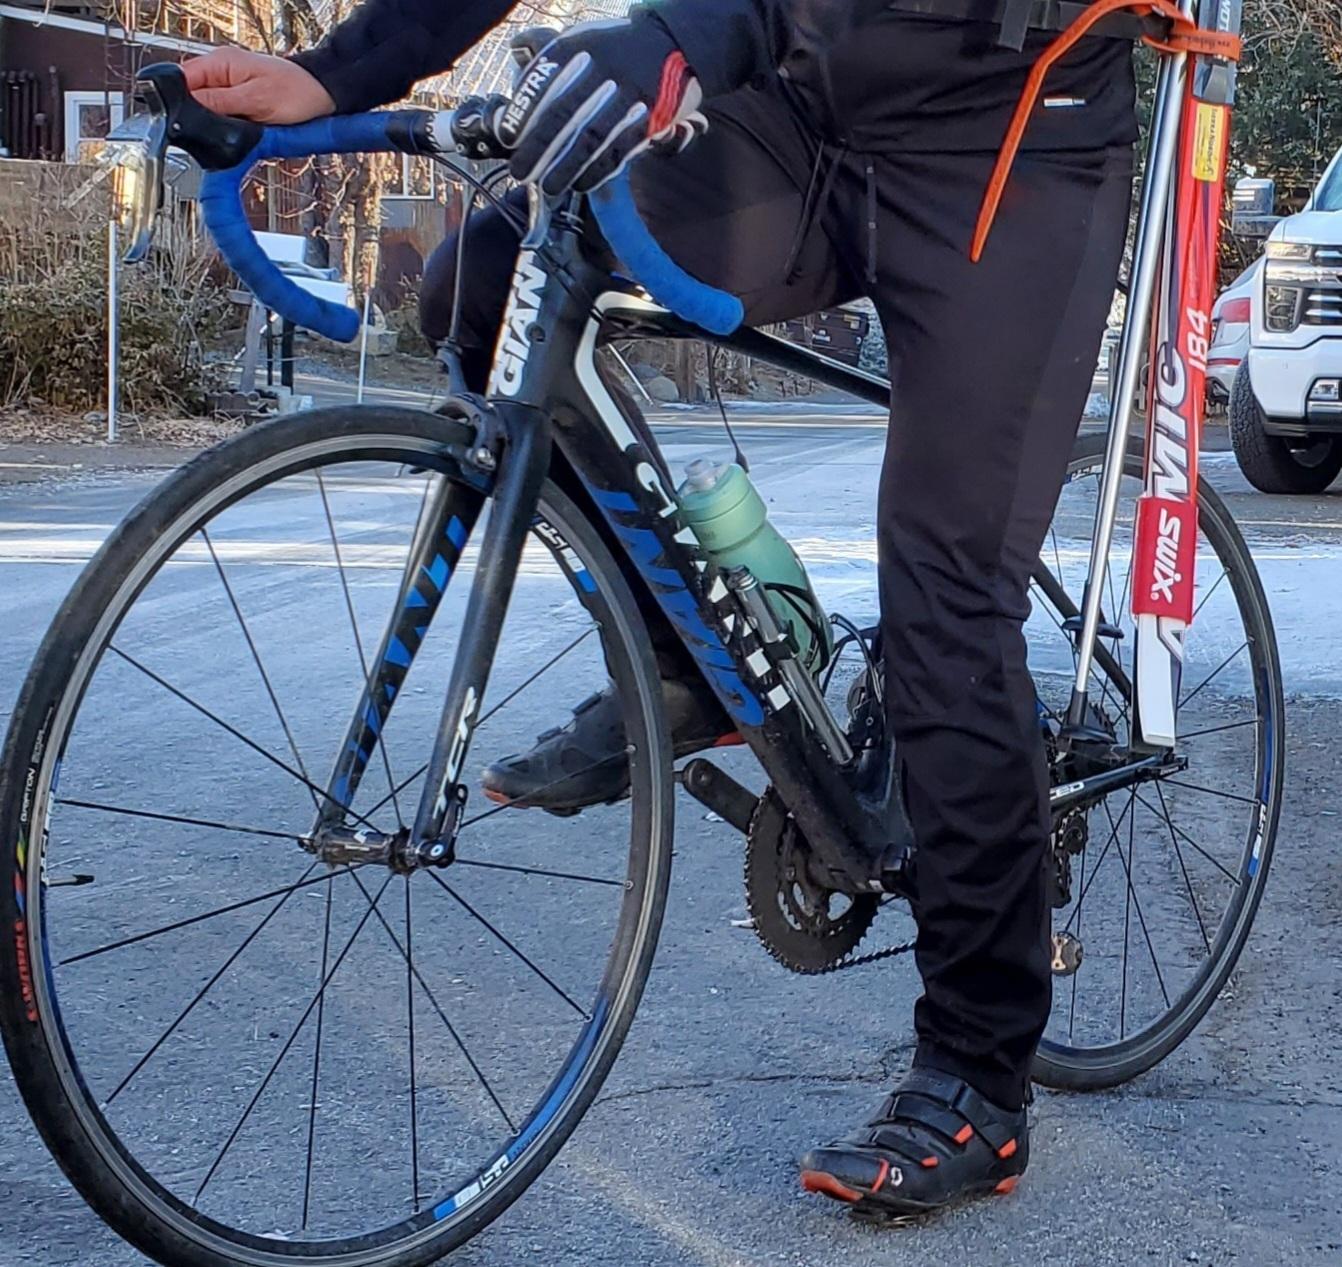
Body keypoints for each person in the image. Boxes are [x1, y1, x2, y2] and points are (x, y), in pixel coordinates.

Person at [184, 0, 1137, 1221]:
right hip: (808, 116)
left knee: (946, 598)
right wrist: (330, 75)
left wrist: (692, 31)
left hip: (1016, 138)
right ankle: (688, 659)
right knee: (488, 277)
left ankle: (975, 1071)